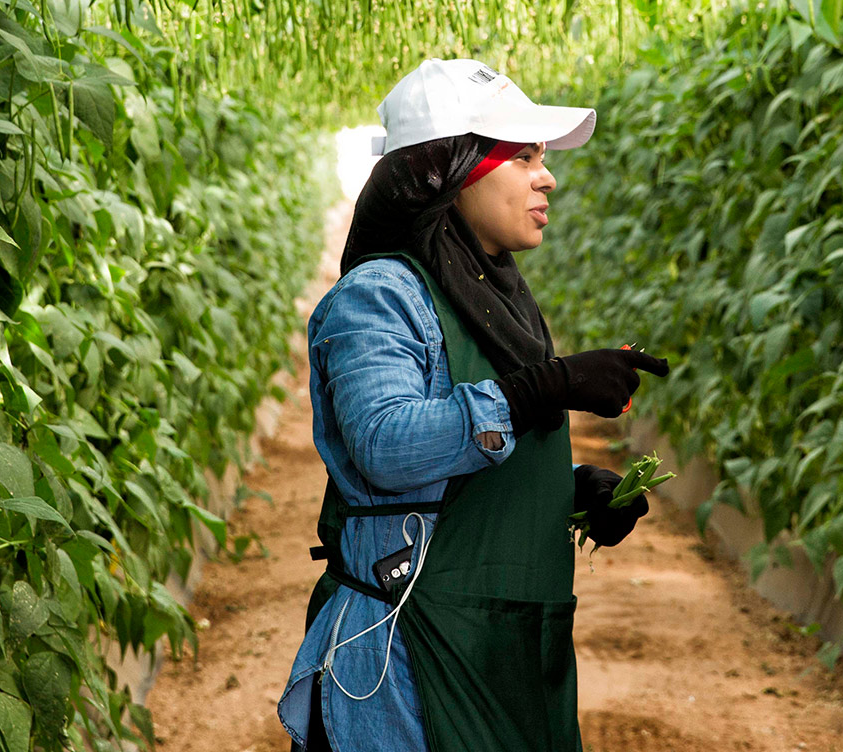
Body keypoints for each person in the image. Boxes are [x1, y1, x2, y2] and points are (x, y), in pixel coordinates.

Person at [278, 59, 670, 752]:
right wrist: (547, 387)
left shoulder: (493, 301)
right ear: (450, 170)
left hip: (500, 656)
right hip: (407, 659)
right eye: (523, 157)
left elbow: (463, 479)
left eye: (542, 158)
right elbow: (384, 444)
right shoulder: (382, 296)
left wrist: (573, 496)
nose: (547, 177)